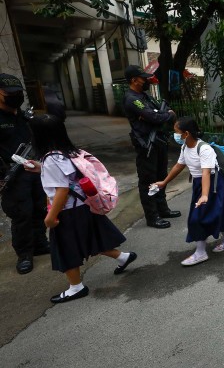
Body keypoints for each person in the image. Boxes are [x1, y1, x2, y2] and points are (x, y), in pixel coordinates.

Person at [29, 114, 136, 303]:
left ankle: (76, 287)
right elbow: (68, 178)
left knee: (65, 248)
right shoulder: (67, 152)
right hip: (83, 206)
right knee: (92, 239)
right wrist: (40, 168)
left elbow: (62, 189)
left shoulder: (50, 159)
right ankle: (123, 257)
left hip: (67, 211)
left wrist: (51, 217)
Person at [153, 117, 224, 266]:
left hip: (212, 183)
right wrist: (164, 182)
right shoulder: (185, 146)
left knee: (198, 217)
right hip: (200, 184)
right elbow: (179, 165)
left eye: (177, 132)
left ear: (186, 133)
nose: (174, 135)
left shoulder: (204, 149)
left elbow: (206, 173)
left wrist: (204, 195)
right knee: (218, 211)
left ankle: (201, 252)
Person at [0, 73, 49, 274]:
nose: (15, 96)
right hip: (12, 177)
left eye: (18, 93)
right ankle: (24, 254)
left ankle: (40, 243)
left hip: (34, 172)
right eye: (9, 93)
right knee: (21, 215)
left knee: (39, 209)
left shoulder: (25, 117)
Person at [122, 65, 181, 229]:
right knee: (148, 181)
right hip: (146, 145)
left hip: (159, 141)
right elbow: (154, 116)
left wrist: (164, 115)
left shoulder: (144, 96)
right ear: (134, 80)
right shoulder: (132, 99)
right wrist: (165, 115)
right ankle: (152, 216)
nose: (146, 80)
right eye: (143, 77)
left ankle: (163, 209)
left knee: (161, 177)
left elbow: (160, 113)